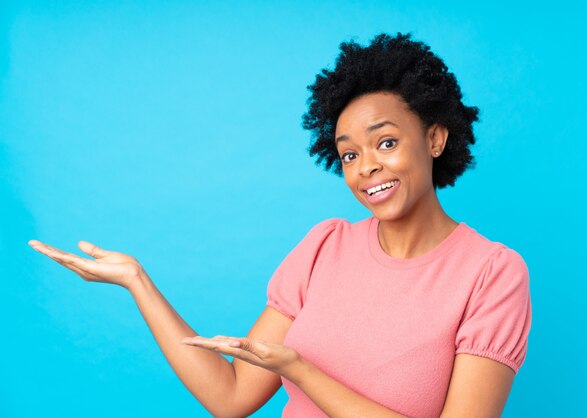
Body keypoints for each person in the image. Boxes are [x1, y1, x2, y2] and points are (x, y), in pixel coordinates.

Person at [28, 32, 532, 418]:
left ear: (436, 138)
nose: (366, 167)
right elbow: (230, 397)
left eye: (386, 143)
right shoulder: (324, 246)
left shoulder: (492, 273)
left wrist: (299, 369)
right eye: (349, 154)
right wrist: (137, 281)